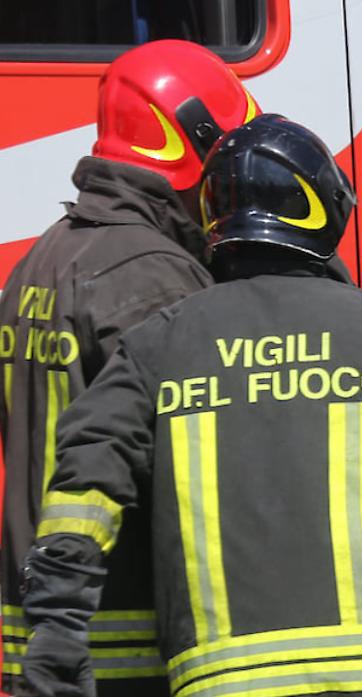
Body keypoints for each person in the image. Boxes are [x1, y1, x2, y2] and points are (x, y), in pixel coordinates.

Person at [19, 115, 362, 697]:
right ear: (323, 209)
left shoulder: (160, 341)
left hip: (226, 680)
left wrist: (57, 628)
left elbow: (86, 480)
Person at [0, 39, 258, 696]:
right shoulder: (154, 277)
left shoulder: (45, 259)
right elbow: (199, 461)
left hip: (46, 632)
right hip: (126, 637)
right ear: (193, 144)